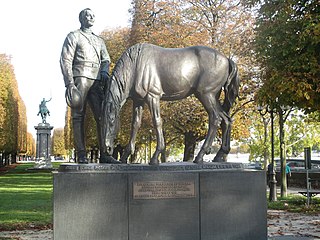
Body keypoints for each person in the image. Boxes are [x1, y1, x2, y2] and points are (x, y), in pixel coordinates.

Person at [60, 8, 118, 164]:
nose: (91, 17)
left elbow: (106, 59)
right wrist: (70, 83)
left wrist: (105, 72)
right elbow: (65, 60)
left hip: (97, 79)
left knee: (102, 116)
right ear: (81, 18)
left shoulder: (99, 40)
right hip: (80, 76)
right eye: (88, 15)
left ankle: (105, 153)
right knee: (78, 116)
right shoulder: (74, 36)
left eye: (93, 15)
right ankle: (81, 153)